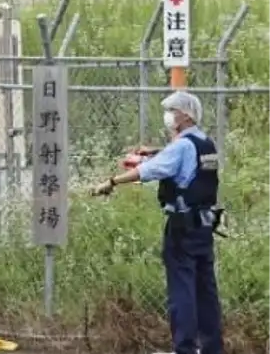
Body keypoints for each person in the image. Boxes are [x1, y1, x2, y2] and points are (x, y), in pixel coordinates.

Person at [91, 91, 223, 354]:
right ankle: (211, 347)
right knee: (205, 291)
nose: (169, 116)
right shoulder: (206, 144)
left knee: (182, 291)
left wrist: (113, 182)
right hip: (204, 227)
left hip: (182, 228)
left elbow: (149, 171)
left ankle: (184, 348)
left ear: (185, 115)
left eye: (173, 110)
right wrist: (157, 151)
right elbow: (186, 161)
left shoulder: (182, 147)